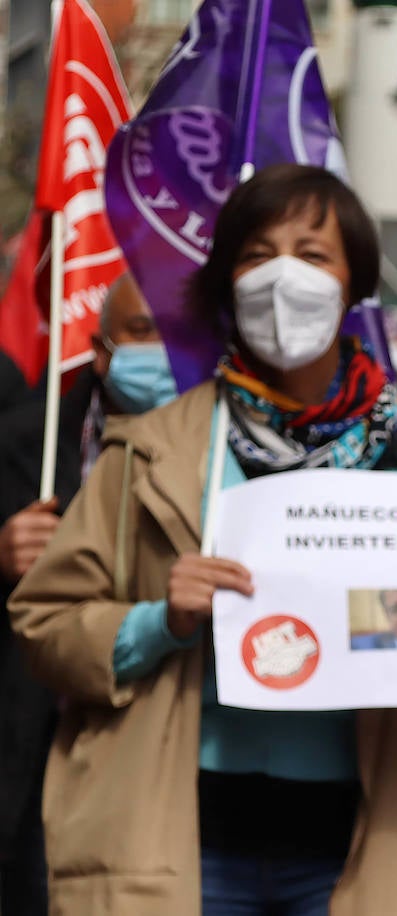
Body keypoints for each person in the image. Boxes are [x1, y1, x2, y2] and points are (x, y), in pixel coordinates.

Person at [9, 164, 397, 915]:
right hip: (181, 846)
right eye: (258, 254)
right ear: (227, 280)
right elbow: (46, 625)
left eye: (313, 253)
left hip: (368, 850)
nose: (283, 276)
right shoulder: (148, 452)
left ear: (355, 282)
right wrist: (155, 623)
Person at [0, 274, 173, 916]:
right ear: (101, 350)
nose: (159, 349)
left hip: (160, 721)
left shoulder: (225, 442)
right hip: (41, 723)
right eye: (140, 331)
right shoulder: (27, 440)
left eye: (173, 332)